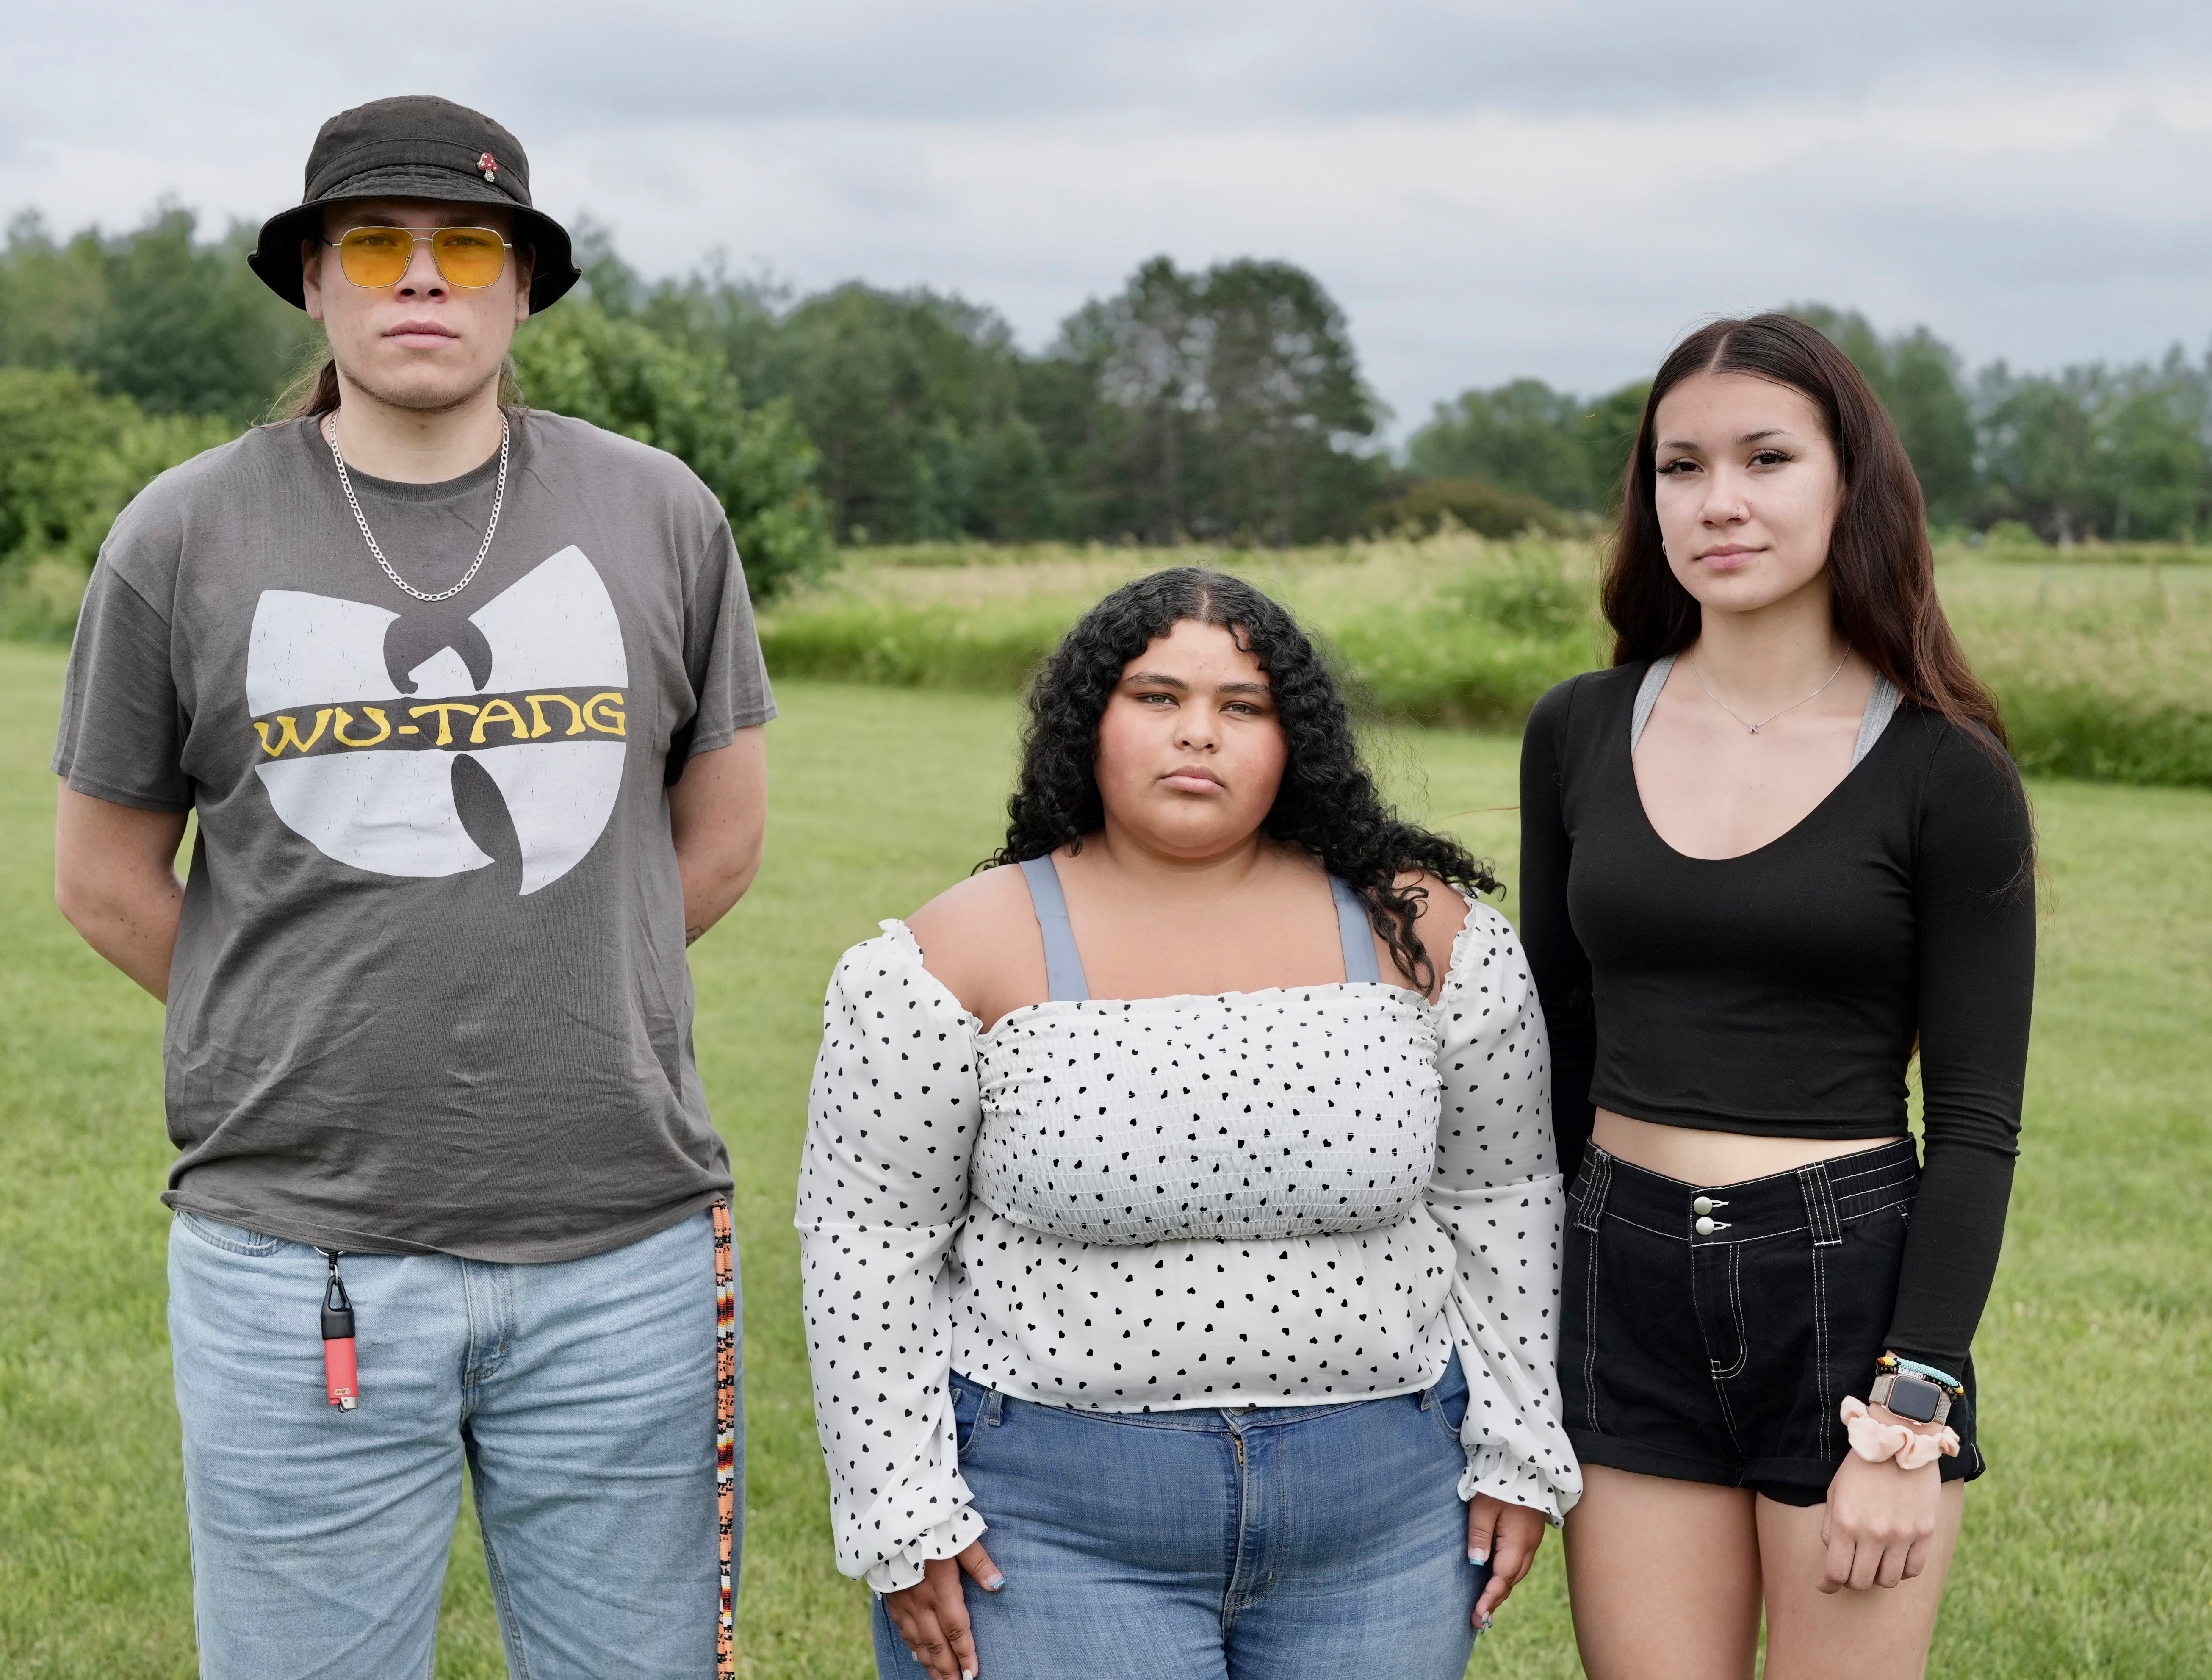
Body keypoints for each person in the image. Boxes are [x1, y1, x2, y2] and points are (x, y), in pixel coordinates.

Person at [49, 95, 774, 1680]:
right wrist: (297, 1006)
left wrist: (560, 962)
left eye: (470, 247)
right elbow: (106, 879)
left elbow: (711, 842)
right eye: (376, 243)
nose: (424, 279)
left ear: (524, 287)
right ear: (315, 280)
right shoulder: (183, 533)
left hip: (624, 1254)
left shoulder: (659, 513)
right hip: (296, 1258)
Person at [797, 569, 1583, 1680]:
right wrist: (903, 1507)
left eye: (1242, 706)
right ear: (1090, 721)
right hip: (1046, 1528)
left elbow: (1501, 1197)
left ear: (1293, 736)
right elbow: (867, 1243)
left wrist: (1515, 1444)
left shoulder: (1422, 933)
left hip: (1386, 1518)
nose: (1197, 734)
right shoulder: (954, 952)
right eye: (1156, 697)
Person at [1518, 313, 2034, 1678]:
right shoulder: (1576, 729)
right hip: (1617, 1273)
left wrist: (1907, 1414)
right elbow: (1549, 1047)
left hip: (1845, 1291)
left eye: (1764, 457)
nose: (1719, 501)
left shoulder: (1946, 772)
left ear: (1848, 480)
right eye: (1678, 467)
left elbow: (1976, 1120)